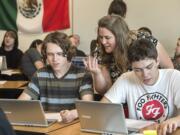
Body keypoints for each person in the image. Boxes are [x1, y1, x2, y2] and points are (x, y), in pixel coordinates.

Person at [101, 38, 180, 135]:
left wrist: (176, 120)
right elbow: (103, 107)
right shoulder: (126, 78)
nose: (145, 74)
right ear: (131, 67)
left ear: (157, 61)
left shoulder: (174, 76)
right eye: (138, 70)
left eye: (149, 67)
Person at [85, 15, 174, 95]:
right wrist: (97, 74)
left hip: (154, 92)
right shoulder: (100, 51)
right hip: (124, 99)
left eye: (107, 38)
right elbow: (106, 91)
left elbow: (169, 68)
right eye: (101, 37)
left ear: (119, 36)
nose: (103, 42)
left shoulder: (144, 39)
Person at [18, 31, 93, 123]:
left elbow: (88, 107)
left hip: (72, 127)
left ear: (68, 53)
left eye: (59, 54)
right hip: (47, 128)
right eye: (50, 54)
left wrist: (73, 114)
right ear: (45, 55)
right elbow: (20, 104)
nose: (54, 59)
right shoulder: (40, 74)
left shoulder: (82, 75)